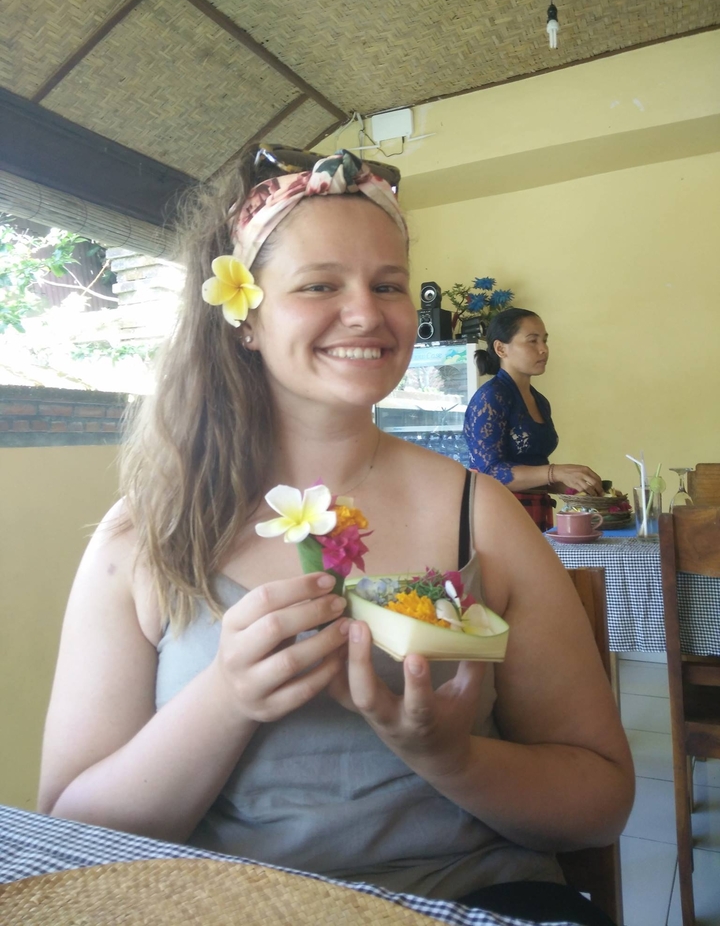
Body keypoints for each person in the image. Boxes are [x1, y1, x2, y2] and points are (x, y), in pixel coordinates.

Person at [38, 146, 633, 926]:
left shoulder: (479, 514)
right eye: (321, 285)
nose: (366, 312)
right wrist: (226, 697)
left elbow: (599, 804)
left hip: (471, 896)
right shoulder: (147, 538)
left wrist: (451, 755)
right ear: (245, 316)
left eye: (388, 285)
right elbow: (70, 837)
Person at [463, 308, 603, 531]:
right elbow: (490, 472)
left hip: (536, 514)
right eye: (532, 341)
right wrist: (556, 472)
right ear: (500, 348)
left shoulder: (540, 401)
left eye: (545, 341)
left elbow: (533, 470)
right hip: (497, 519)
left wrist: (574, 484)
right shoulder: (491, 397)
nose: (543, 350)